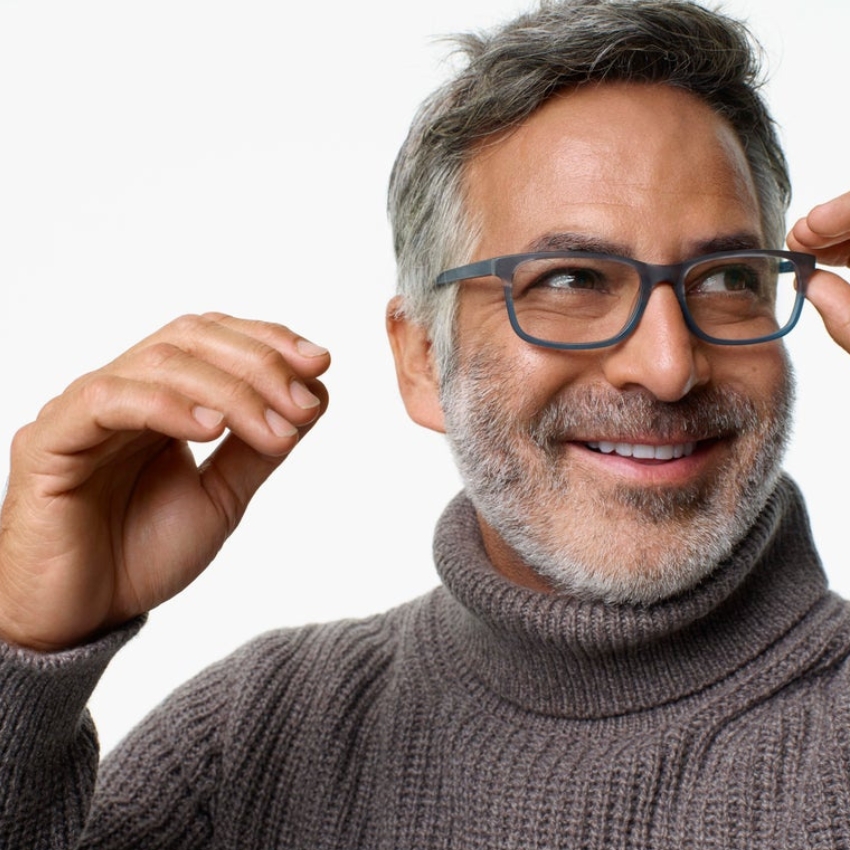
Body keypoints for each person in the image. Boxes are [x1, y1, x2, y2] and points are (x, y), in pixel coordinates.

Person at [2, 0, 850, 845]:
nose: (668, 368)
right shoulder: (251, 743)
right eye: (571, 280)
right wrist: (22, 656)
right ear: (421, 360)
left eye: (728, 279)